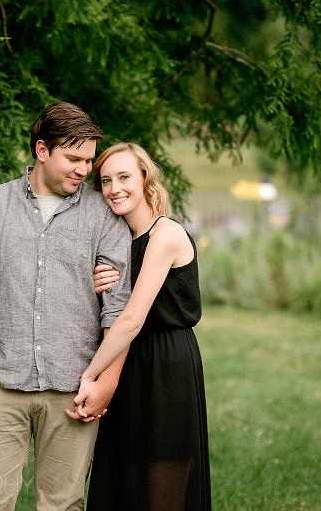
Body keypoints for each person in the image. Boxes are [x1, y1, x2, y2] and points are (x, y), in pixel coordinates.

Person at [0, 102, 132, 510]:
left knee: (62, 505)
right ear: (42, 150)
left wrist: (104, 383)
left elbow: (118, 308)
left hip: (74, 390)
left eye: (89, 161)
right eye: (73, 158)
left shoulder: (104, 216)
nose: (83, 170)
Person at [72, 142, 211, 511]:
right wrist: (98, 284)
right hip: (127, 363)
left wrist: (92, 375)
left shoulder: (165, 235)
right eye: (105, 181)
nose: (114, 188)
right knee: (126, 486)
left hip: (166, 365)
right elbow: (113, 308)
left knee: (161, 495)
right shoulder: (117, 238)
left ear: (145, 179)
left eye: (124, 177)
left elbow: (132, 319)